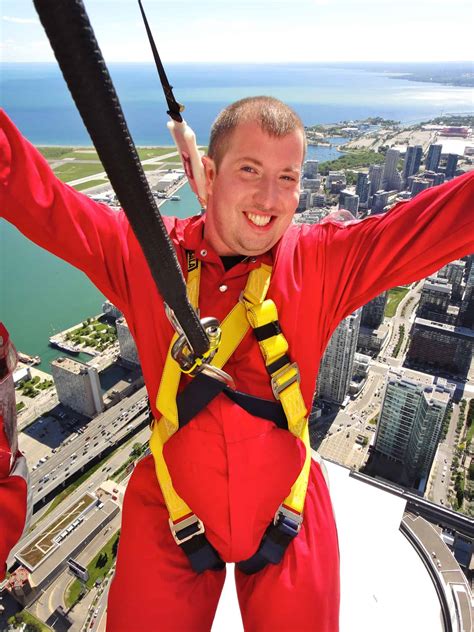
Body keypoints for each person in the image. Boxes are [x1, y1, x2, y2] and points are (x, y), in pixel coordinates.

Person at [0, 96, 473, 632]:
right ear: (208, 172)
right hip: (173, 514)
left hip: (286, 516)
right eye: (249, 169)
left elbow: (440, 222)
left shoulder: (322, 260)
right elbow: (34, 194)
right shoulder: (147, 254)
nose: (269, 198)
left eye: (288, 177)